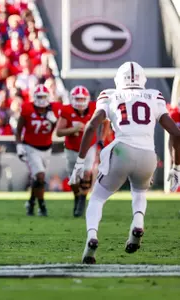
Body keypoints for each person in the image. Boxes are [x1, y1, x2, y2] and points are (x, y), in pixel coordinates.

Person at [69, 61, 180, 264]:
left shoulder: (109, 95)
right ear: (142, 79)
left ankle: (92, 238)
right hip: (148, 155)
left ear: (119, 80)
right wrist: (176, 167)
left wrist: (79, 161)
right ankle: (137, 223)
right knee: (139, 192)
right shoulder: (154, 95)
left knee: (97, 198)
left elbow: (91, 126)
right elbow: (176, 133)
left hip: (121, 150)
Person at [15, 84, 60, 216]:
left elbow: (60, 131)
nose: (41, 99)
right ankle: (42, 206)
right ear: (34, 97)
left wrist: (55, 121)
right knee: (40, 176)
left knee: (37, 179)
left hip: (47, 148)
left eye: (43, 97)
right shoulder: (27, 109)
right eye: (39, 96)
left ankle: (31, 202)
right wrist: (19, 145)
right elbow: (18, 130)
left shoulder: (55, 108)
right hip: (30, 147)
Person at [55, 86, 96, 217]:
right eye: (77, 99)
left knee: (87, 172)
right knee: (73, 179)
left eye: (82, 99)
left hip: (89, 146)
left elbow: (105, 121)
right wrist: (73, 130)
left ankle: (82, 199)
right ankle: (77, 197)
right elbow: (59, 132)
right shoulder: (66, 110)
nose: (79, 102)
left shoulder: (95, 108)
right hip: (71, 148)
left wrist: (102, 138)